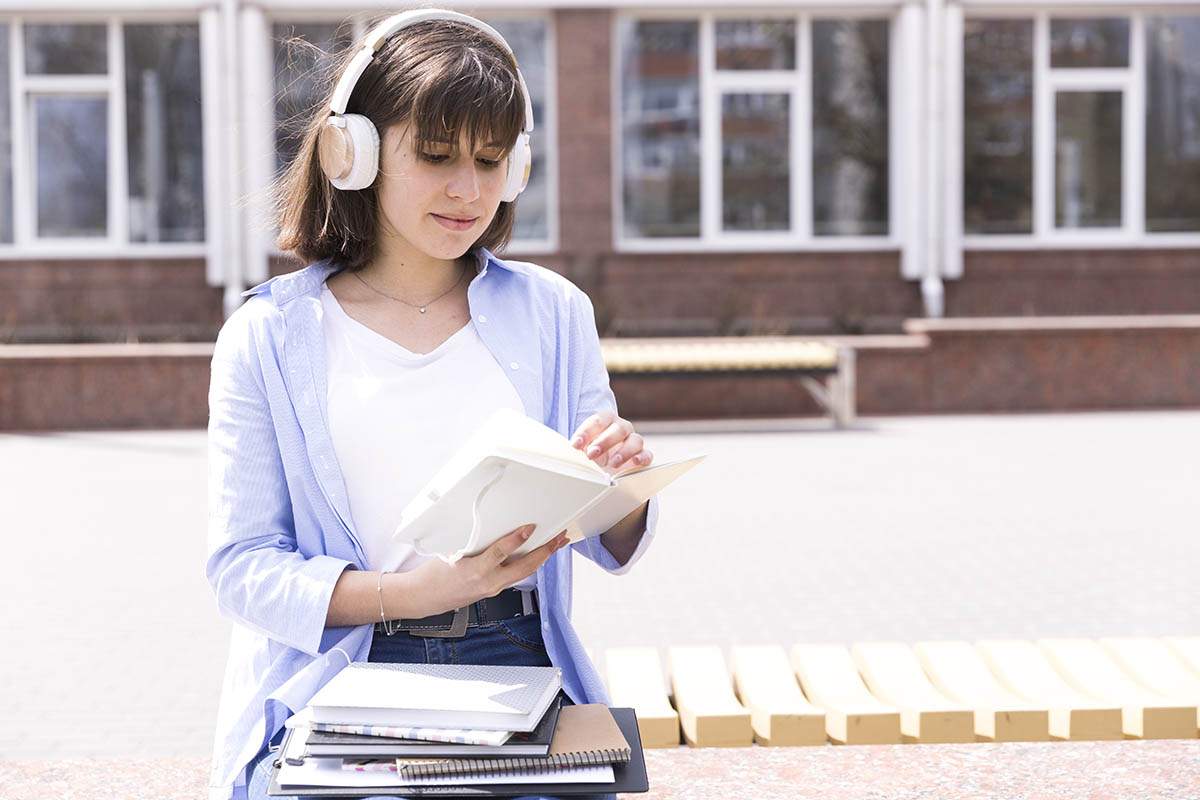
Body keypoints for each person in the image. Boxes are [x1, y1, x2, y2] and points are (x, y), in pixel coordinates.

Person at [205, 9, 658, 800]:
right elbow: (242, 570)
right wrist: (412, 594)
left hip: (517, 662)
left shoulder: (554, 313)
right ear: (356, 154)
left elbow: (604, 540)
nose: (468, 190)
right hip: (341, 669)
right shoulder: (267, 337)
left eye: (491, 161)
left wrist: (616, 488)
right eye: (438, 155)